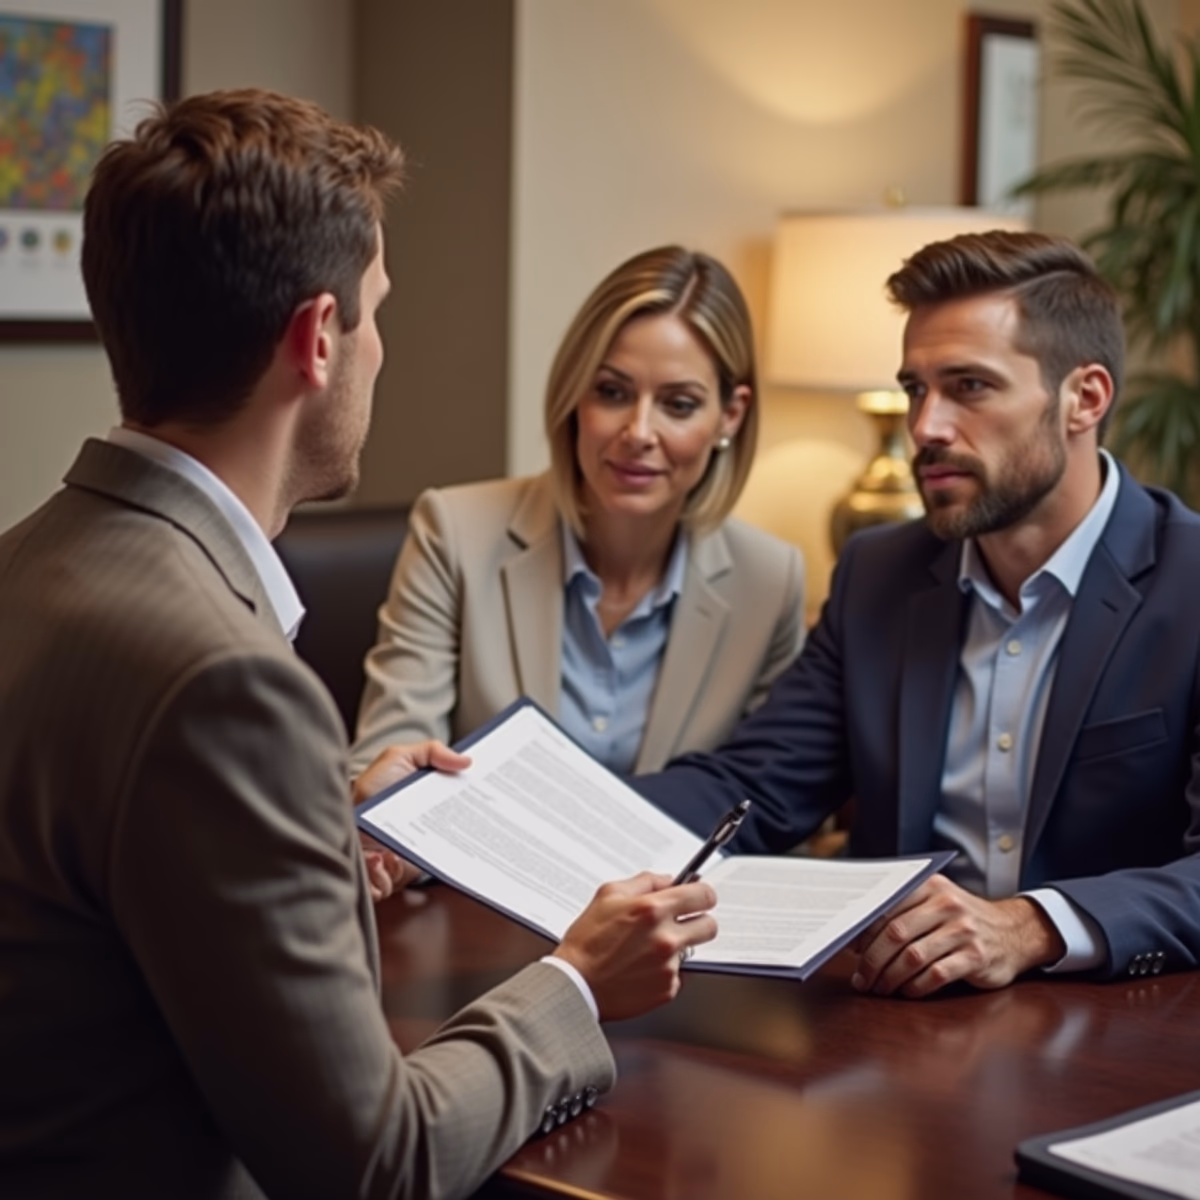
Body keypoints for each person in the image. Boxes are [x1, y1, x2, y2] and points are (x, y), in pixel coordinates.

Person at [0, 89, 717, 1200]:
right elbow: (380, 1162)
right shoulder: (225, 681)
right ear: (319, 339)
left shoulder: (27, 563)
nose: (383, 346)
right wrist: (575, 983)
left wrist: (320, 821)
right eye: (377, 311)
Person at [637, 229, 1200, 999]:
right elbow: (752, 789)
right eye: (916, 389)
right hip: (891, 1019)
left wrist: (1031, 925)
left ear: (1085, 398)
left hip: (1112, 1028)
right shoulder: (879, 572)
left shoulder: (1188, 582)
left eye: (969, 386)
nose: (927, 427)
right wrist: (513, 812)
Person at [349, 246, 805, 779]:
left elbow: (763, 801)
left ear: (730, 415)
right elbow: (386, 760)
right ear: (574, 397)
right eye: (612, 393)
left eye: (678, 404)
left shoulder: (771, 582)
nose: (638, 433)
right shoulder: (453, 532)